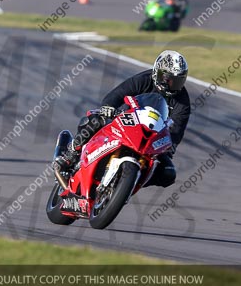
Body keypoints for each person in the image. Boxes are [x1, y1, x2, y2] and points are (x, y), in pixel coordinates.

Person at [55, 50, 191, 188]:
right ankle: (70, 155)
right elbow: (116, 95)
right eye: (167, 79)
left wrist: (167, 149)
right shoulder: (144, 79)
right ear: (157, 73)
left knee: (168, 173)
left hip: (150, 137)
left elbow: (176, 132)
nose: (171, 84)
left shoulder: (183, 102)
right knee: (94, 120)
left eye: (177, 81)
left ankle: (129, 183)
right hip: (124, 121)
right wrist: (109, 107)